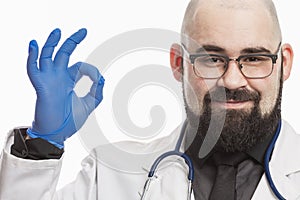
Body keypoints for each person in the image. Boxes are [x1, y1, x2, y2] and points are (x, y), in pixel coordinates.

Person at [1, 0, 300, 199]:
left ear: (284, 64)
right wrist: (42, 147)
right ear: (178, 63)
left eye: (254, 58)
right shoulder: (109, 175)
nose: (232, 81)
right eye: (211, 59)